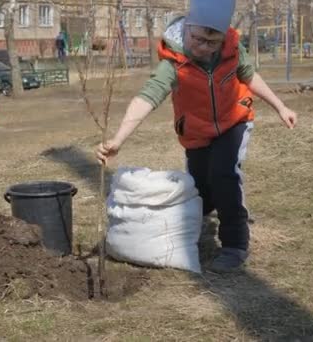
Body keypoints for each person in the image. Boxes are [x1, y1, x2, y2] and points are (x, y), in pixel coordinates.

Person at [95, 0, 298, 273]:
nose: (203, 47)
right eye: (198, 39)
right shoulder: (174, 62)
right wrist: (118, 140)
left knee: (224, 174)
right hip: (196, 132)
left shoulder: (233, 50)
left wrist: (280, 106)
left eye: (212, 42)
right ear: (187, 27)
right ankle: (200, 220)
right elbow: (148, 97)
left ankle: (235, 244)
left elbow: (249, 77)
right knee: (201, 187)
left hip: (234, 121)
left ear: (223, 37)